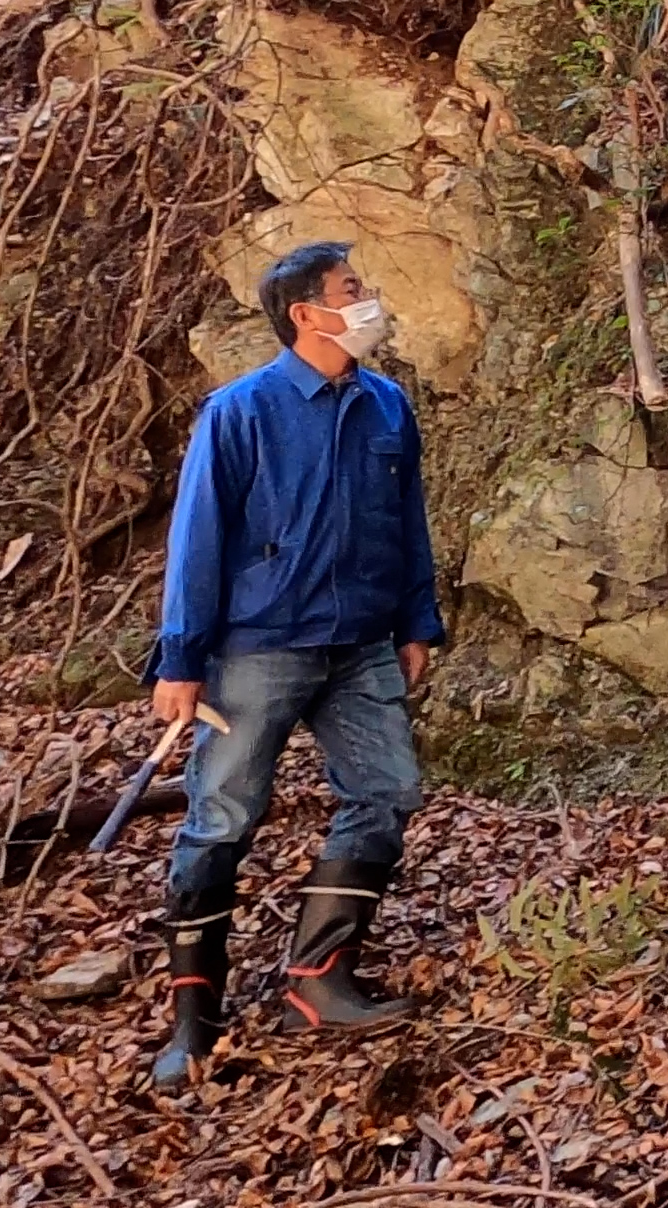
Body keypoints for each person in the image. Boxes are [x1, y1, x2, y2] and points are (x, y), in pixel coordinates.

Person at [143, 240, 444, 1087]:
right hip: (258, 649)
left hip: (363, 647)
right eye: (353, 289)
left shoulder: (387, 405)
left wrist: (418, 621)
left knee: (385, 796)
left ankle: (320, 979)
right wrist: (181, 659)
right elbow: (196, 538)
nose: (368, 299)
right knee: (223, 818)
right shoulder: (240, 411)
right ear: (306, 314)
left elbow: (406, 522)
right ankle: (193, 1021)